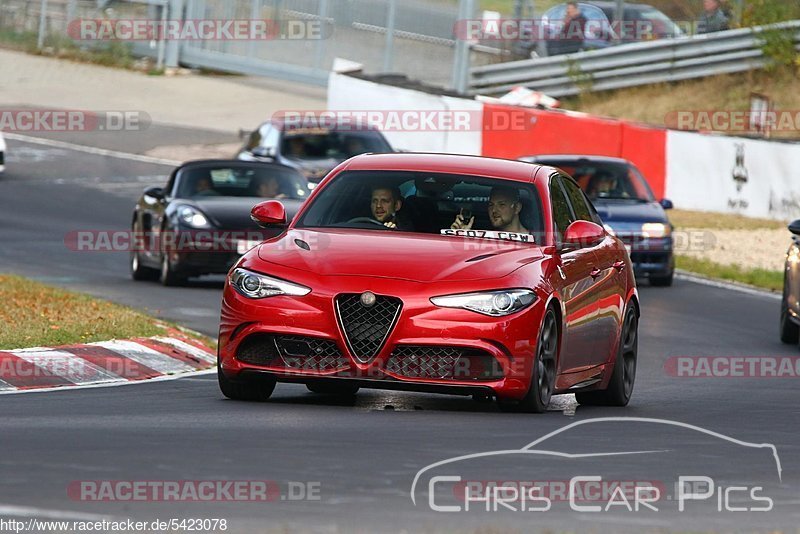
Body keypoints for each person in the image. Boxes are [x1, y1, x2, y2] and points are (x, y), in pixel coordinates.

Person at [451, 187, 529, 234]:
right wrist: (461, 235)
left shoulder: (535, 241)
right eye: (491, 205)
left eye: (502, 204)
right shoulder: (484, 238)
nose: (494, 210)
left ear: (517, 208)